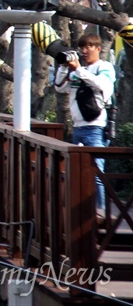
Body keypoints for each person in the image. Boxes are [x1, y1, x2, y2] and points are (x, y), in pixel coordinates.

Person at [53, 32, 116, 216]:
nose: (84, 50)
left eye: (89, 46)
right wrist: (65, 67)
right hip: (78, 127)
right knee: (78, 172)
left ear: (98, 48)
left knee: (97, 171)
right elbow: (59, 87)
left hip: (95, 127)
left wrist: (79, 70)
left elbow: (103, 86)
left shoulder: (104, 67)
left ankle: (100, 211)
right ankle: (83, 210)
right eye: (82, 47)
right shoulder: (76, 71)